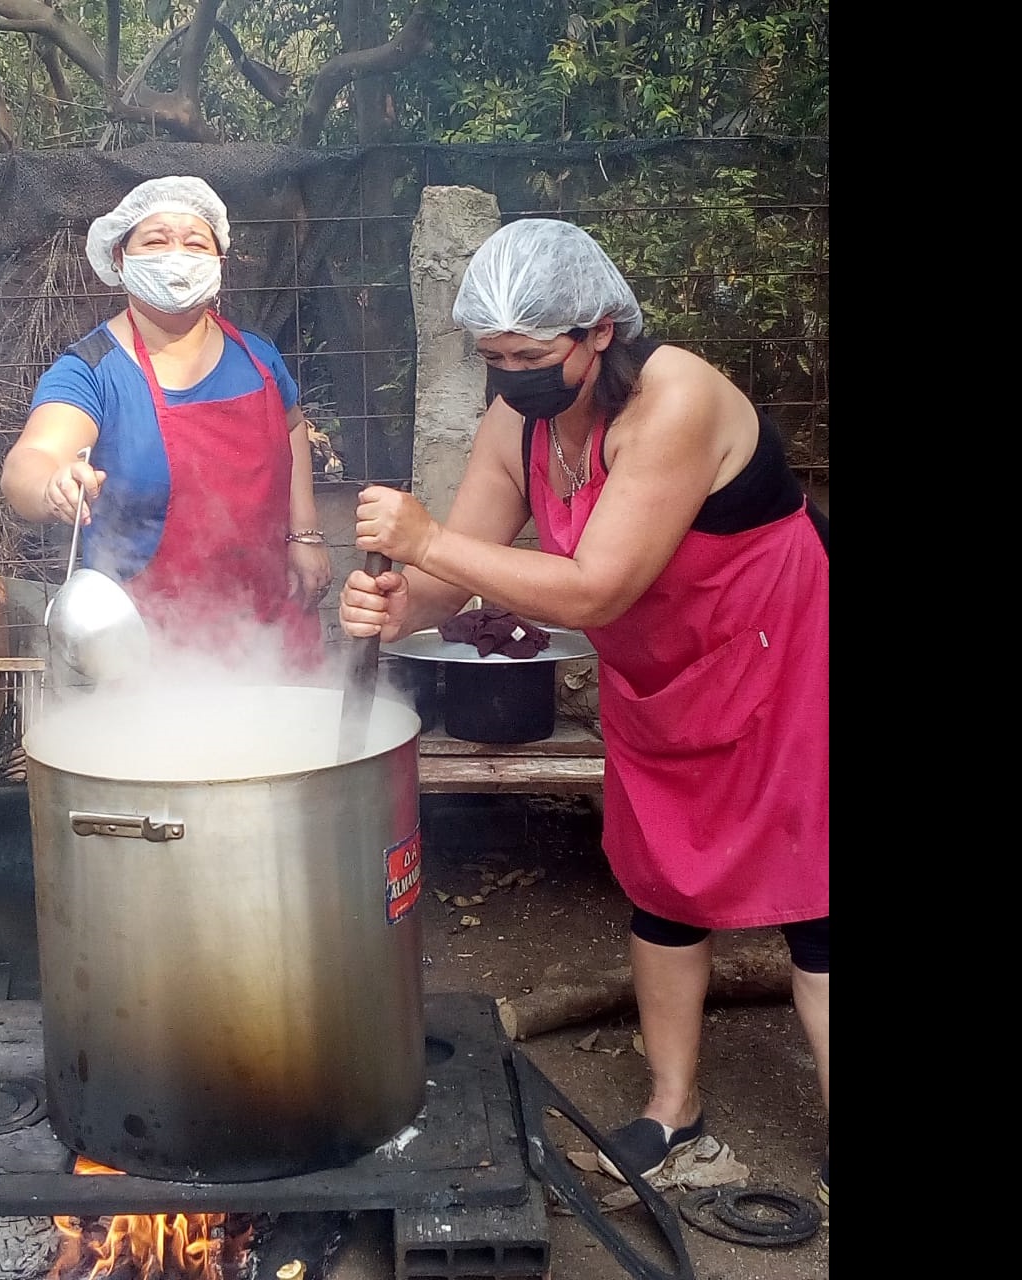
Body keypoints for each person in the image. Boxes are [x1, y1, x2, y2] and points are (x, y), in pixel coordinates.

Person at [337, 218, 830, 1205]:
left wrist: (427, 539)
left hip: (778, 653)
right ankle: (672, 1107)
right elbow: (455, 569)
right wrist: (395, 606)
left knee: (816, 901)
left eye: (528, 356)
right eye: (493, 357)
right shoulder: (516, 422)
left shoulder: (674, 398)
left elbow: (593, 586)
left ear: (598, 328)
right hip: (659, 672)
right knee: (660, 880)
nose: (509, 374)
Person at [0, 175, 331, 674]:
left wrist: (304, 535)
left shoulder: (258, 357)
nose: (177, 253)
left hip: (270, 626)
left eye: (195, 242)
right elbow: (32, 459)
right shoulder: (92, 370)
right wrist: (52, 484)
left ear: (218, 262)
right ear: (120, 260)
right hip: (150, 650)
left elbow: (292, 428)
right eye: (155, 240)